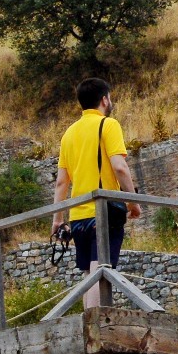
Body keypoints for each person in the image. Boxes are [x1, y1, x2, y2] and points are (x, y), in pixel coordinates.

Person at [51, 77, 142, 307]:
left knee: (88, 274)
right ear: (104, 99)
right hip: (104, 213)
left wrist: (57, 219)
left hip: (78, 218)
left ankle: (88, 326)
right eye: (109, 98)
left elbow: (62, 183)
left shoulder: (68, 135)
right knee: (99, 271)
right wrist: (133, 203)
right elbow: (120, 167)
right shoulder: (108, 125)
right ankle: (96, 327)